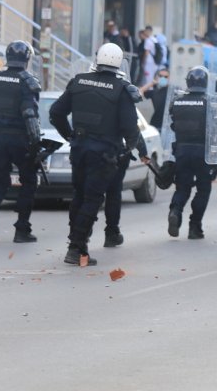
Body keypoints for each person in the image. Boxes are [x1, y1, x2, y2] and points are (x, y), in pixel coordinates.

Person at [50, 43, 144, 266]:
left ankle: (76, 243)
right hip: (103, 153)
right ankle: (76, 248)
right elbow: (131, 127)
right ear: (119, 62)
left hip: (79, 149)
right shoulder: (122, 88)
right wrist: (127, 150)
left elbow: (55, 112)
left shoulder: (79, 81)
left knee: (79, 196)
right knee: (92, 199)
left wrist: (70, 136)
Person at [0, 41, 42, 243]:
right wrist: (36, 142)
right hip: (20, 138)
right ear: (27, 59)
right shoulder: (28, 81)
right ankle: (22, 229)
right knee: (29, 181)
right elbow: (30, 114)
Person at [167, 66, 217, 240]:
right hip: (202, 153)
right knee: (203, 189)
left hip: (181, 150)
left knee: (182, 186)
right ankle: (195, 226)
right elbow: (214, 131)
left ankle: (175, 210)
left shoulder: (176, 101)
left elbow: (173, 125)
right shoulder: (210, 102)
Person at [102, 69, 147, 248]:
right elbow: (133, 129)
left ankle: (80, 236)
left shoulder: (91, 92)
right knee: (113, 193)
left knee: (88, 194)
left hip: (90, 149)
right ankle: (111, 232)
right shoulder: (122, 92)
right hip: (115, 152)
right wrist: (136, 150)